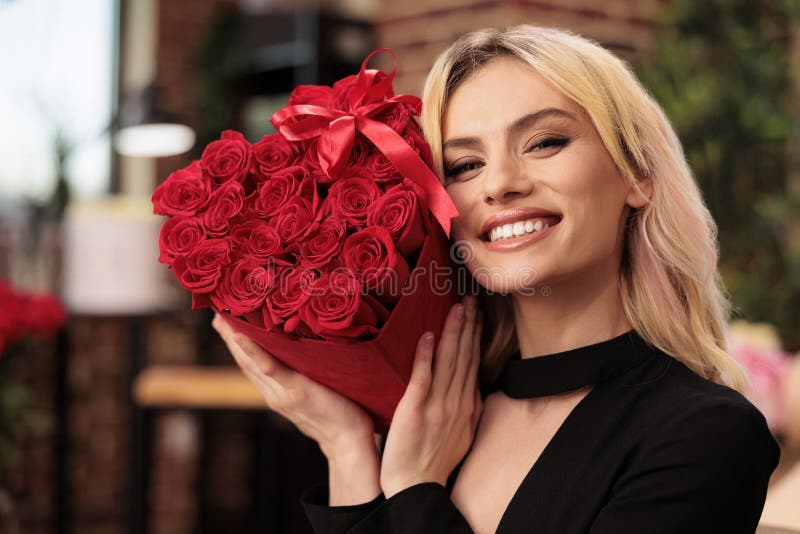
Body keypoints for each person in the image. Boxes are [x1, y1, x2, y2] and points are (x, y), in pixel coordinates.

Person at [211, 25, 780, 533]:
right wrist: (346, 447)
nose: (500, 184)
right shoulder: (437, 416)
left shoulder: (707, 434)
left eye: (545, 142)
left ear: (637, 174)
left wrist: (414, 489)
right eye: (464, 166)